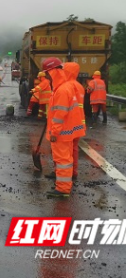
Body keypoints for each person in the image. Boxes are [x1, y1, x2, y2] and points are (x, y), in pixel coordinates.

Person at [42, 58, 86, 198]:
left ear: (54, 71)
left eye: (48, 73)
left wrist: (54, 131)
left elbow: (60, 113)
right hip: (67, 129)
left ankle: (62, 189)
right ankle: (63, 187)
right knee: (65, 158)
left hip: (61, 131)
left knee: (62, 160)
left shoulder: (62, 90)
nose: (48, 76)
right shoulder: (66, 87)